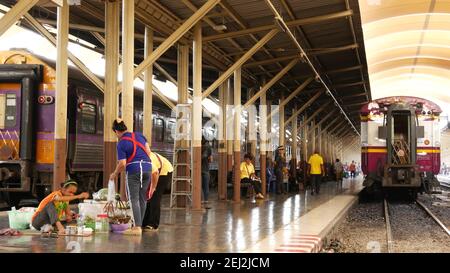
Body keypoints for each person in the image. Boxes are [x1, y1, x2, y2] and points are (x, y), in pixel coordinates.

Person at [109, 119, 152, 236]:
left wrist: (115, 173)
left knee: (133, 199)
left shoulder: (121, 143)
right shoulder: (140, 136)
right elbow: (148, 152)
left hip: (134, 171)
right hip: (148, 168)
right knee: (142, 198)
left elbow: (122, 163)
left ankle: (137, 227)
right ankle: (139, 225)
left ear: (116, 131)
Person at [142, 152, 174, 231]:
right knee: (147, 196)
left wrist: (153, 187)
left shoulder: (148, 160)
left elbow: (155, 173)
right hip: (153, 172)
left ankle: (153, 224)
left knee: (155, 197)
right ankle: (145, 222)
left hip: (164, 171)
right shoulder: (135, 160)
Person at [201, 138, 212, 208]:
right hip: (205, 169)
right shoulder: (208, 147)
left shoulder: (206, 147)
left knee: (202, 186)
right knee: (205, 186)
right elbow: (210, 159)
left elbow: (205, 156)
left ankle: (202, 201)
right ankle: (205, 202)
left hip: (201, 169)